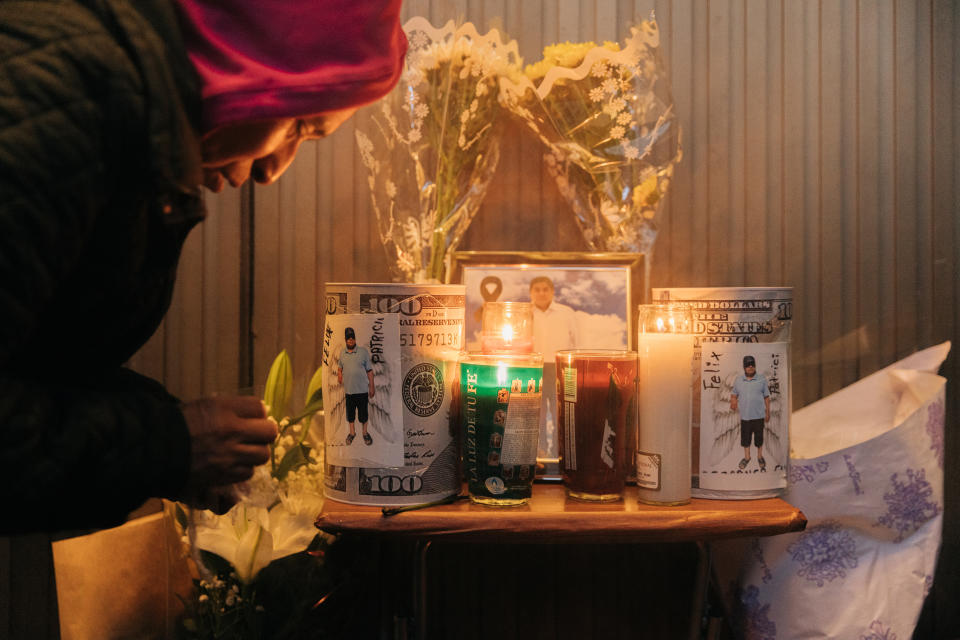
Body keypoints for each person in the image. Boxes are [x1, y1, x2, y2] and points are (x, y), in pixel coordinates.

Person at [0, 0, 406, 534]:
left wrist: (171, 436)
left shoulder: (113, 87)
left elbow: (36, 367)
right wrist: (170, 444)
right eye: (302, 124)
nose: (273, 170)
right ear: (246, 64)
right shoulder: (68, 94)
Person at [730, 355, 771, 471]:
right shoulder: (738, 380)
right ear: (744, 367)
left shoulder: (761, 379)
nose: (750, 366)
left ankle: (759, 456)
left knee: (759, 438)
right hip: (745, 417)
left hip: (759, 416)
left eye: (752, 364)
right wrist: (733, 401)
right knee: (745, 438)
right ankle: (747, 457)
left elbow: (767, 397)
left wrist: (768, 412)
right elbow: (734, 393)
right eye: (748, 364)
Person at [337, 327, 376, 446]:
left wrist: (372, 387)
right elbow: (340, 367)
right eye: (348, 338)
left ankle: (365, 433)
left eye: (352, 337)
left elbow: (369, 371)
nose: (350, 340)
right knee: (350, 415)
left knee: (363, 414)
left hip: (362, 391)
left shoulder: (363, 352)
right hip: (349, 391)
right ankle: (352, 433)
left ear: (355, 339)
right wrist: (339, 375)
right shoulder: (342, 353)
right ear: (345, 339)